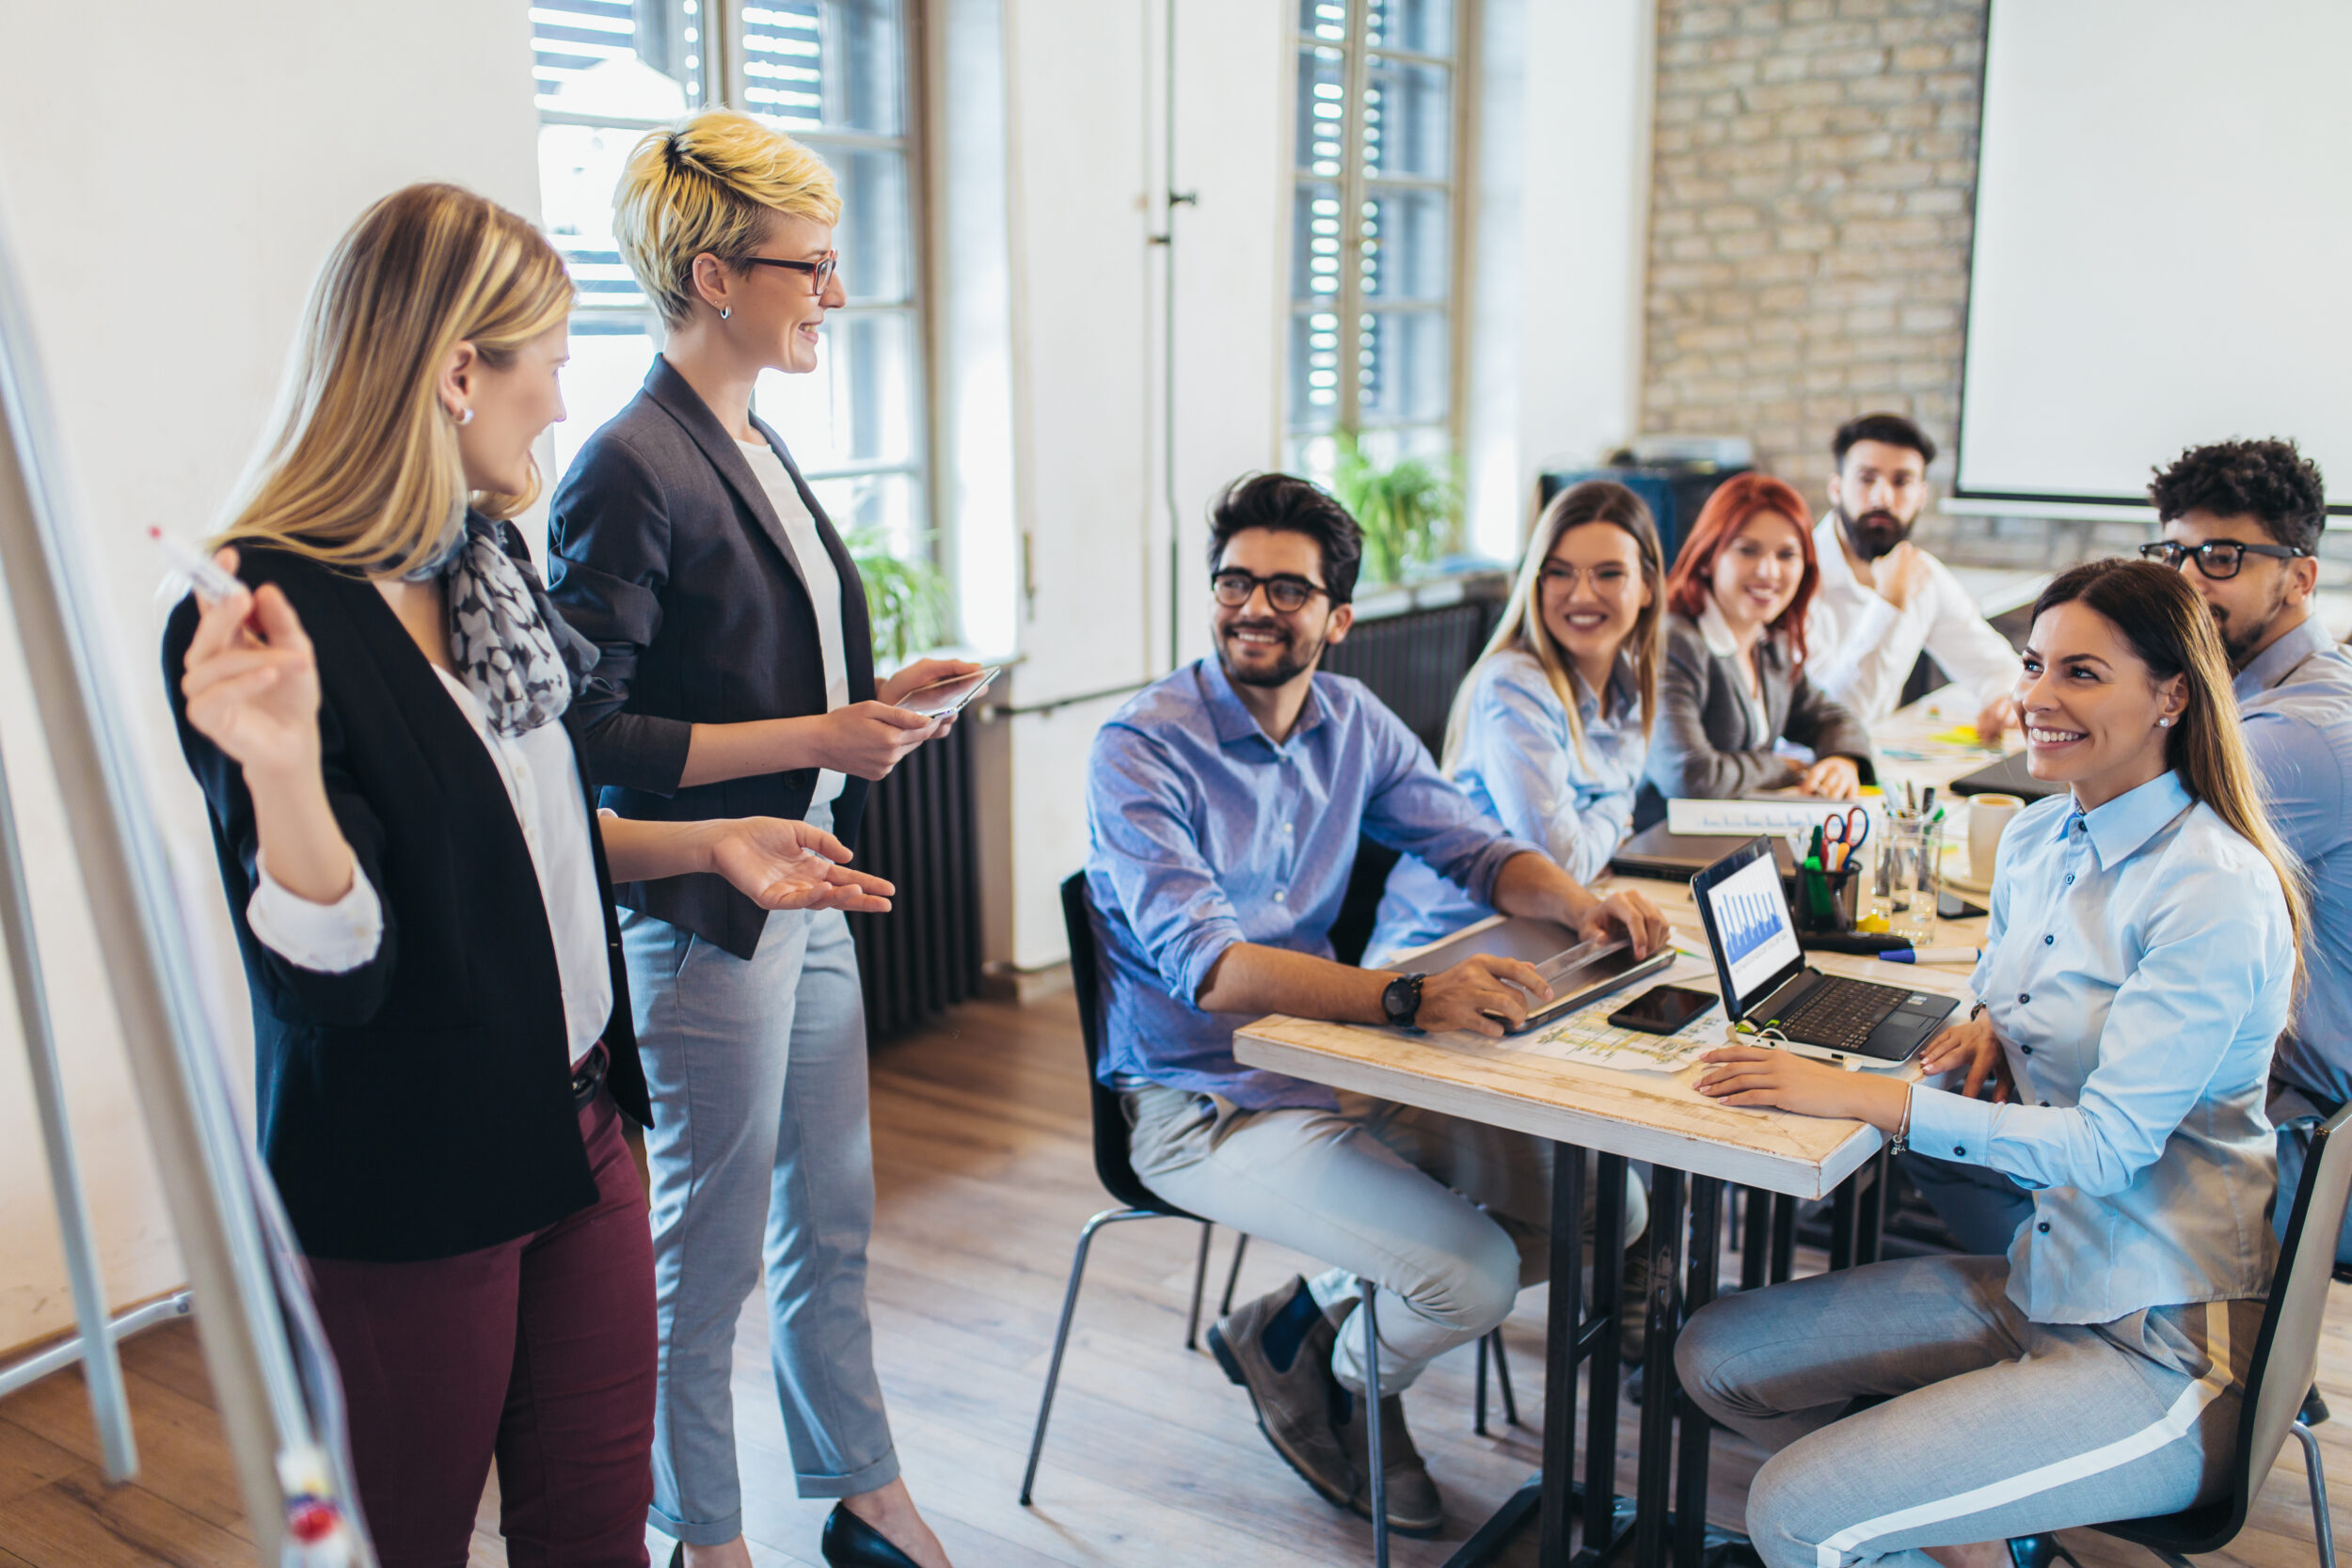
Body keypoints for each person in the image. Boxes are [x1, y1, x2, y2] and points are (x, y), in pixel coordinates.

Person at [162, 183, 893, 1568]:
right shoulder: (268, 611)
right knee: (407, 1540)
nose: (560, 402)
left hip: (580, 1124)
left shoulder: (481, 563)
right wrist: (278, 772)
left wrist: (709, 843)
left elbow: (531, 840)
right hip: (414, 1168)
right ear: (454, 374)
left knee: (595, 1528)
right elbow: (332, 964)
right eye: (547, 361)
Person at [1677, 559, 2300, 1568]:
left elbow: (2105, 1147)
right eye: (2032, 664)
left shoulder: (2211, 887)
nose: (2036, 698)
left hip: (2163, 1338)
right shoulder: (2040, 833)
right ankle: (1971, 1533)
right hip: (2044, 1274)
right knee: (1713, 1357)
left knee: (1792, 1513)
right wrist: (1981, 1020)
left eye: (2082, 672)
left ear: (2172, 694)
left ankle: (1921, 1520)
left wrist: (1871, 1098)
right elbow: (2004, 979)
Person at [546, 112, 974, 1568]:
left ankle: (860, 1483)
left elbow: (742, 673)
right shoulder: (625, 463)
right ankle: (702, 1531)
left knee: (831, 1222)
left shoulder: (751, 436)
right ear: (717, 274)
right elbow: (585, 735)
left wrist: (864, 708)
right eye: (813, 266)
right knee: (707, 1251)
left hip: (807, 893)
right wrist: (816, 740)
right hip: (704, 916)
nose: (835, 295)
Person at [1086, 472, 1666, 1537]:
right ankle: (1345, 1385)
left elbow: (1480, 849)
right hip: (1200, 1102)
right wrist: (1408, 997)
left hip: (1340, 1064)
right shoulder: (1140, 745)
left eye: (1286, 590)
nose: (1253, 606)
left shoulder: (1350, 719)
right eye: (1233, 581)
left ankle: (1301, 1325)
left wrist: (1587, 909)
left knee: (1607, 1213)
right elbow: (1211, 969)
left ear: (1337, 617)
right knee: (1475, 1276)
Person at [2143, 438, 2352, 1267]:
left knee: (1976, 1125)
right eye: (2174, 552)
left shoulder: (2292, 735)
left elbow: (2129, 876)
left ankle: (2186, 1357)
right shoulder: (2272, 695)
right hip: (2294, 1094)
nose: (2189, 578)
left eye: (2221, 557)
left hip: (2302, 1139)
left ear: (2298, 577)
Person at [1364, 479, 1665, 963]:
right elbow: (1562, 864)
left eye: (1609, 573)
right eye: (1560, 573)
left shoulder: (1633, 687)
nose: (1582, 594)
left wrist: (1602, 816)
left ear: (1648, 586)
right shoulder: (1513, 684)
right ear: (1536, 582)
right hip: (1435, 955)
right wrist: (1616, 809)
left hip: (1540, 940)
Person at [1635, 472, 1873, 829]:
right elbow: (1688, 775)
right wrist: (1782, 767)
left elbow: (1830, 717)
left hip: (1731, 837)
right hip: (1659, 845)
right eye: (1747, 550)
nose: (1768, 571)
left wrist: (1842, 760)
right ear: (1708, 556)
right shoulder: (1675, 643)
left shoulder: (1769, 641)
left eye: (1786, 554)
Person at [1804, 413, 2021, 738]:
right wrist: (1887, 603)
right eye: (1866, 479)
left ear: (1921, 495)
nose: (1882, 497)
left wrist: (2003, 699)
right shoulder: (1792, 575)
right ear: (1836, 488)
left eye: (1901, 481)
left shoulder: (1924, 573)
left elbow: (1994, 666)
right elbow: (1832, 721)